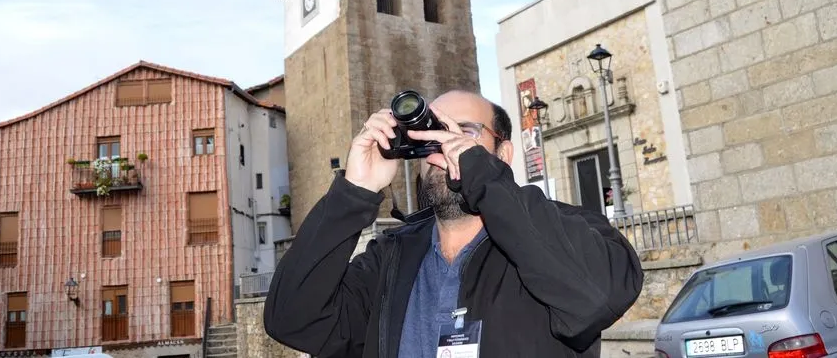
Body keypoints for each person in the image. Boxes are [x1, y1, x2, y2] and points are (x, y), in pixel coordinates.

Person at [264, 90, 644, 357]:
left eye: (465, 131)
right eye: (433, 133)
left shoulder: (564, 229)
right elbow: (291, 319)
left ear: (502, 154)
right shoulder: (390, 260)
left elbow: (597, 297)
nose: (444, 144)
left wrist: (481, 175)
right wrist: (353, 192)